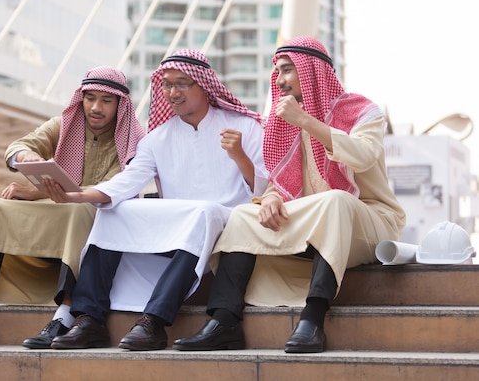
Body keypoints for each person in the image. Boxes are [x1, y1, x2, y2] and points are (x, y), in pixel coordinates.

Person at [173, 36, 406, 353]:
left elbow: (363, 156)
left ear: (312, 72)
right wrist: (270, 198)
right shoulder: (284, 123)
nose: (279, 81)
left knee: (336, 201)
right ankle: (224, 321)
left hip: (370, 222)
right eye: (277, 72)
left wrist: (306, 121)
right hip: (315, 223)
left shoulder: (364, 112)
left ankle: (313, 319)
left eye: (287, 70)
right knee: (243, 215)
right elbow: (280, 183)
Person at [44, 49, 268, 351]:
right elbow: (127, 181)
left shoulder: (245, 127)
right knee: (115, 211)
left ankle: (154, 322)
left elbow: (264, 190)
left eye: (181, 84)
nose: (172, 92)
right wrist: (79, 194)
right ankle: (89, 319)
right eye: (167, 84)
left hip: (229, 227)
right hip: (179, 228)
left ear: (204, 85)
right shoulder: (156, 138)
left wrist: (239, 156)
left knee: (202, 213)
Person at [0, 66, 145, 348]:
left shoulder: (132, 138)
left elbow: (110, 190)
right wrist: (25, 156)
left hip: (98, 214)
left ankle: (65, 316)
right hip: (57, 208)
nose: (95, 107)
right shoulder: (63, 125)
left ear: (120, 104)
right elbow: (18, 147)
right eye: (90, 98)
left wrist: (34, 192)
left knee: (78, 210)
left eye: (106, 100)